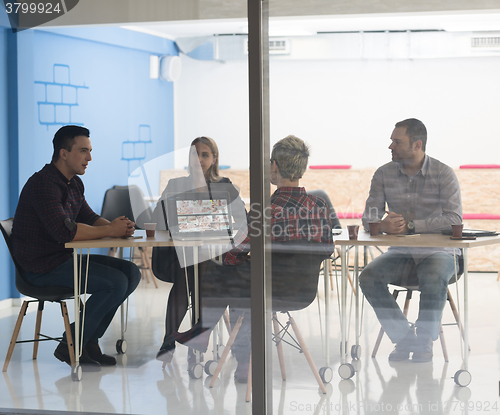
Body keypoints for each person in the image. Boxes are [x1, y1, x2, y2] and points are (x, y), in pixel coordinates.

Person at [174, 135, 335, 383]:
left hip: (267, 290)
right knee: (246, 282)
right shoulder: (320, 205)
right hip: (303, 292)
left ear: (274, 167)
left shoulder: (267, 208)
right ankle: (206, 336)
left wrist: (229, 260)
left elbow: (237, 249)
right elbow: (327, 249)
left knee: (227, 274)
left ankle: (234, 355)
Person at [11, 125, 141, 371]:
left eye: (90, 151)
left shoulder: (74, 184)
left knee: (132, 273)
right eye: (83, 151)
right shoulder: (43, 184)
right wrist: (110, 230)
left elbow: (90, 218)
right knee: (115, 282)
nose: (89, 158)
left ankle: (87, 341)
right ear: (63, 153)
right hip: (40, 268)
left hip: (61, 260)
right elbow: (64, 231)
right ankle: (71, 344)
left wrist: (117, 227)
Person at [359, 118, 462, 363]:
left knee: (433, 272)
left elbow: (454, 218)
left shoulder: (443, 173)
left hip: (443, 254)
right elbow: (369, 217)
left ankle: (425, 339)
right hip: (402, 254)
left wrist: (412, 226)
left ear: (417, 145)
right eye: (391, 141)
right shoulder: (383, 173)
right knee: (368, 277)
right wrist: (381, 225)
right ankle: (405, 339)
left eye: (397, 142)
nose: (390, 146)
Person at [152, 136, 247, 364]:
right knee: (189, 271)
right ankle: (175, 339)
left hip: (214, 256)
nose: (199, 159)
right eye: (195, 154)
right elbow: (157, 219)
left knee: (198, 269)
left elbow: (243, 219)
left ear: (214, 159)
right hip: (178, 256)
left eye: (205, 155)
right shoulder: (176, 185)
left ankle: (182, 339)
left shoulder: (225, 186)